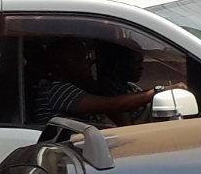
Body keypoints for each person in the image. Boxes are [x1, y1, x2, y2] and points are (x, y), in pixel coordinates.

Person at [27, 36, 157, 128]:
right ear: (59, 66)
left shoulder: (81, 88)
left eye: (87, 57)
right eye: (80, 59)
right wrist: (155, 92)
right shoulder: (57, 91)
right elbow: (112, 105)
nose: (88, 63)